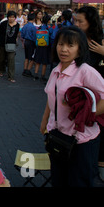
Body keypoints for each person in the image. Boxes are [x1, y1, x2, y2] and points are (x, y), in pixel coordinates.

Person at [39, 26, 104, 187]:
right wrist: (44, 121)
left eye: (70, 45)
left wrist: (88, 114)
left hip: (82, 142)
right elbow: (51, 97)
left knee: (79, 182)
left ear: (80, 49)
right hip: (59, 138)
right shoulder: (56, 70)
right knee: (59, 181)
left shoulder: (85, 71)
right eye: (61, 44)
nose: (64, 50)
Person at [74, 6, 104, 181]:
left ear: (90, 23)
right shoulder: (76, 39)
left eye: (81, 22)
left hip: (98, 101)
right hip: (79, 100)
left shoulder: (99, 41)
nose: (77, 24)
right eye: (75, 21)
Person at [0, 11, 20, 83]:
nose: (11, 19)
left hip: (11, 45)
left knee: (11, 60)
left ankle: (11, 76)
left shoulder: (17, 25)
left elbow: (16, 34)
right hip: (2, 44)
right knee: (1, 58)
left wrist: (16, 42)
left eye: (13, 17)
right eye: (10, 17)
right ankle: (1, 70)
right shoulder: (3, 24)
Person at [33, 14, 53, 82]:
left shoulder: (40, 27)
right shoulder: (49, 28)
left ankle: (36, 74)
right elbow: (51, 37)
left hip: (39, 46)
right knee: (45, 62)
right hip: (46, 47)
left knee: (38, 60)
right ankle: (43, 75)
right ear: (48, 21)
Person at [20, 13, 37, 77]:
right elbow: (35, 37)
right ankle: (28, 70)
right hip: (31, 42)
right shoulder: (33, 27)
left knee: (26, 57)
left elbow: (22, 35)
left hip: (26, 41)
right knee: (32, 57)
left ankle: (25, 69)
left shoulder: (25, 26)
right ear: (33, 19)